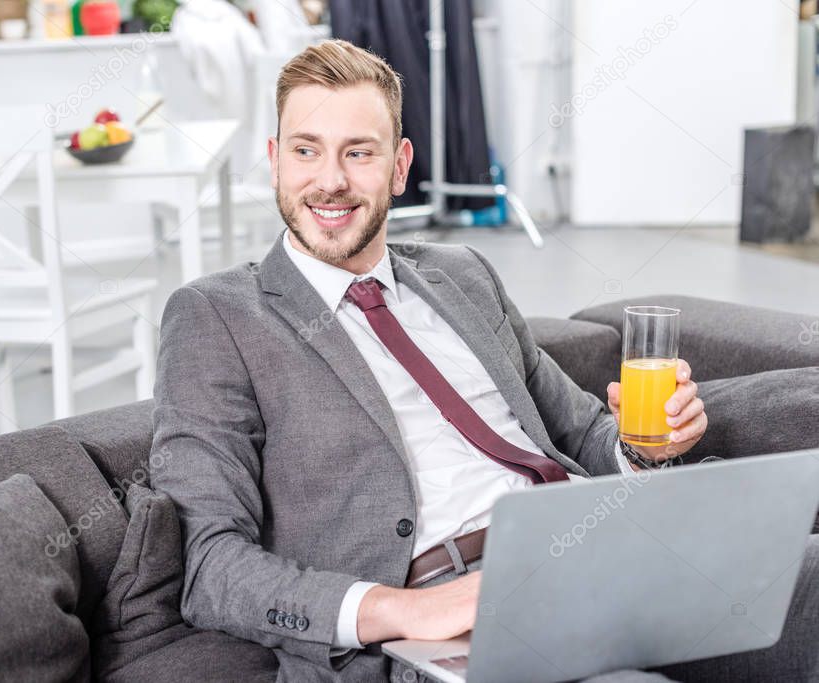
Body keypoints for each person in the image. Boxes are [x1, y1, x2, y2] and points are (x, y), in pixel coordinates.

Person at [150, 39, 817, 682]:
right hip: (453, 601)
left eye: (359, 152)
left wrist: (645, 447)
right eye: (305, 150)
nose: (330, 180)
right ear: (273, 159)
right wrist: (410, 609)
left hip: (611, 543)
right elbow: (210, 565)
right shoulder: (218, 316)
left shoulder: (460, 273)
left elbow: (580, 430)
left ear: (399, 165)